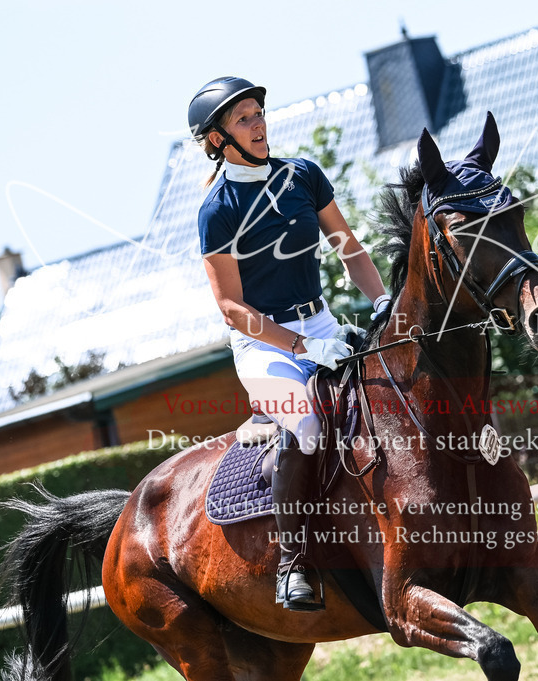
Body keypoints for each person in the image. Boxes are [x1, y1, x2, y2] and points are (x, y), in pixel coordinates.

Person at [188, 77, 390, 608]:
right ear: (218, 139)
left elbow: (349, 249)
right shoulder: (218, 209)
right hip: (264, 347)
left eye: (258, 113)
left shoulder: (303, 175)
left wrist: (382, 300)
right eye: (243, 119)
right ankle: (293, 564)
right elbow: (231, 307)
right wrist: (301, 348)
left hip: (321, 325)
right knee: (306, 425)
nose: (258, 124)